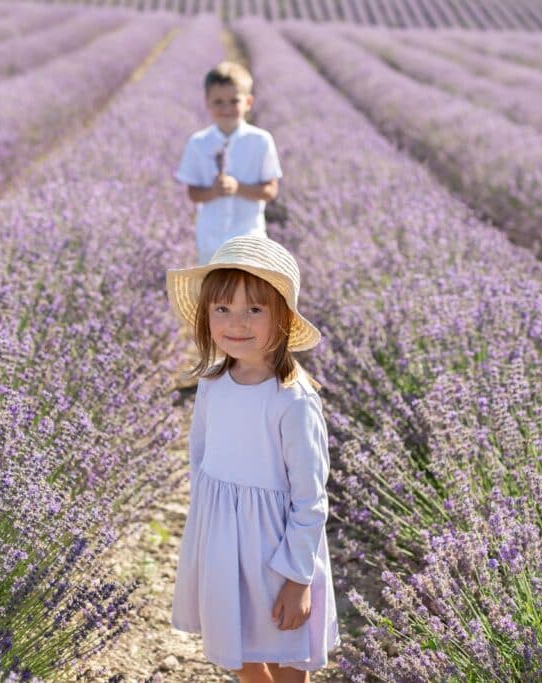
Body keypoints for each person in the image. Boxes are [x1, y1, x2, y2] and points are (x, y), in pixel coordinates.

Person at [167, 235, 339, 682]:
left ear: (283, 317)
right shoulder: (212, 383)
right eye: (222, 309)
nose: (236, 323)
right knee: (235, 645)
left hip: (276, 549)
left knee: (285, 649)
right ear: (206, 316)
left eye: (254, 310)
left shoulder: (292, 400)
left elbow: (310, 497)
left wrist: (298, 577)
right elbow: (201, 457)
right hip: (224, 540)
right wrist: (206, 535)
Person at [176, 62, 282, 265]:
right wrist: (214, 192)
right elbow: (193, 193)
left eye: (234, 101)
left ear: (248, 102)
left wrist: (237, 187)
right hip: (211, 242)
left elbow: (270, 190)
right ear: (207, 102)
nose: (226, 108)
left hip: (250, 242)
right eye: (218, 102)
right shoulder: (198, 142)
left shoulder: (260, 141)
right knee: (216, 296)